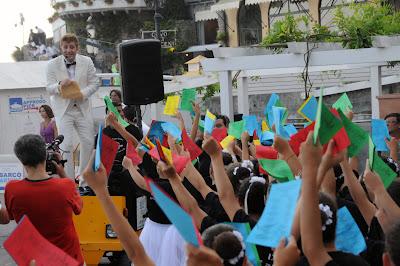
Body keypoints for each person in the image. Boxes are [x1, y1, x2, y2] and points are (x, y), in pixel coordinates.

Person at [4, 134, 84, 265]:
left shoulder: (12, 189)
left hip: (34, 261)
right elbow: (79, 208)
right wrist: (62, 173)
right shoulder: (65, 186)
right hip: (68, 260)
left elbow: (9, 217)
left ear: (21, 159)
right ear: (45, 156)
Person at [46, 33, 99, 183]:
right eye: (66, 47)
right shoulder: (52, 64)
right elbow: (49, 88)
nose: (69, 50)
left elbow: (95, 83)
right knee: (66, 144)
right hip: (63, 109)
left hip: (82, 107)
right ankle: (68, 181)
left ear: (77, 48)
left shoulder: (87, 61)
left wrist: (82, 94)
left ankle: (84, 179)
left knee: (88, 142)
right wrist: (58, 85)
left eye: (72, 47)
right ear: (61, 48)